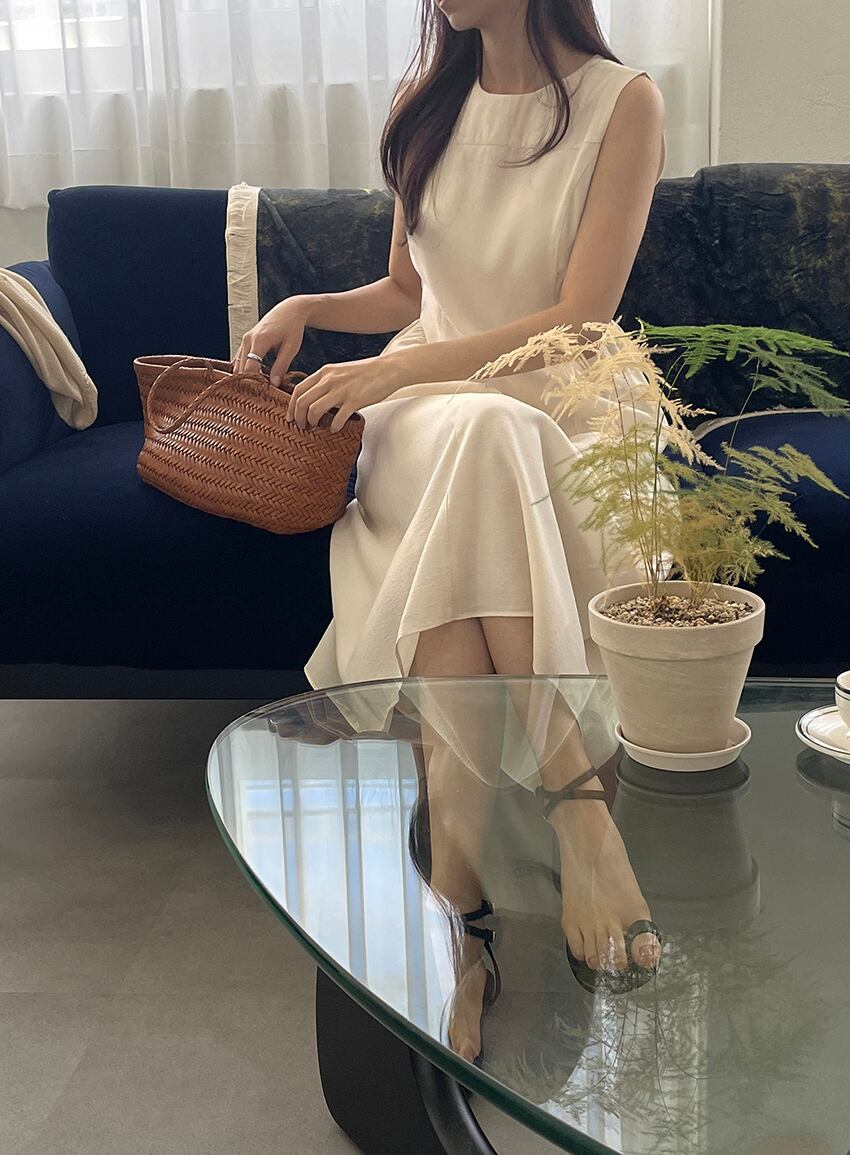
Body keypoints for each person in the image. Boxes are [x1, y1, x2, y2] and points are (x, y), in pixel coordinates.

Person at [234, 0, 665, 1061]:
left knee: (484, 471)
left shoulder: (625, 104)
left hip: (564, 409)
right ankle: (578, 809)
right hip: (433, 415)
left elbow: (579, 320)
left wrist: (397, 370)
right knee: (476, 436)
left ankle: (459, 926)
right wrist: (309, 305)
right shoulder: (424, 106)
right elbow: (406, 291)